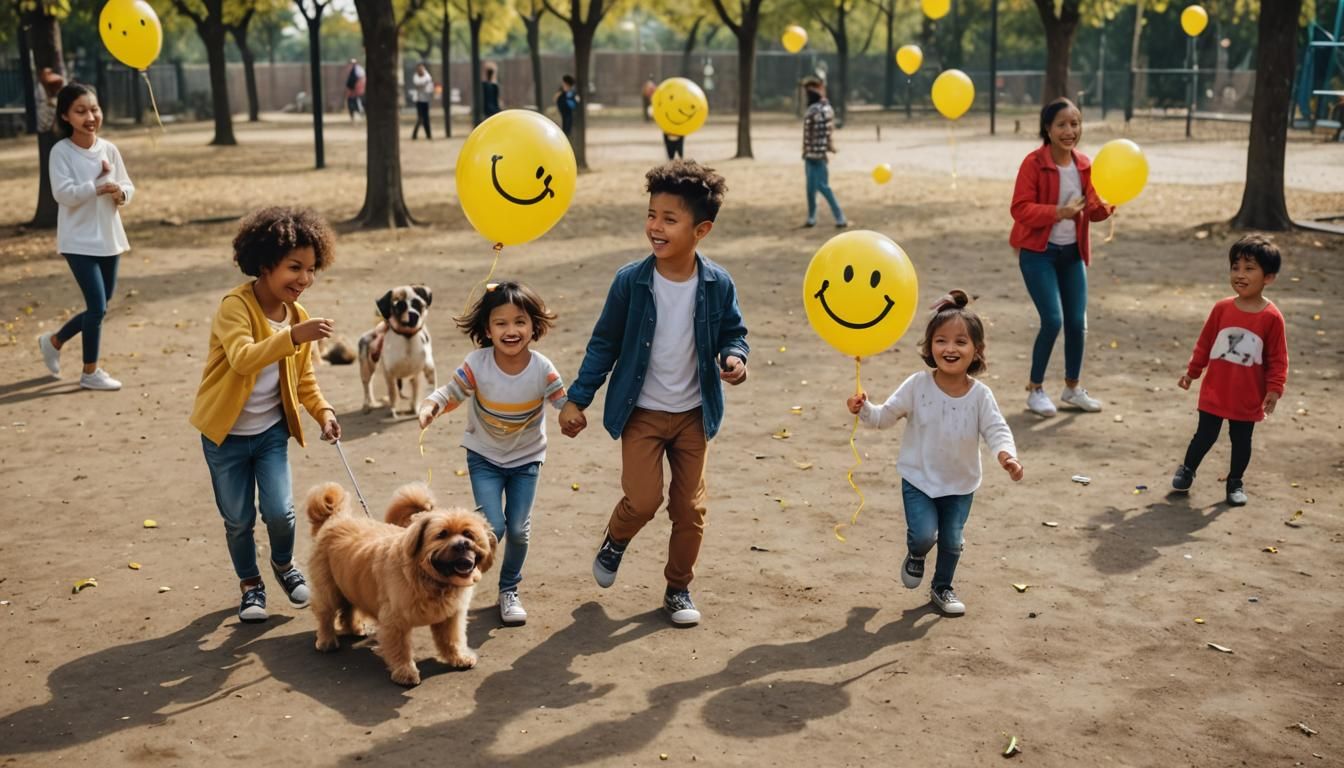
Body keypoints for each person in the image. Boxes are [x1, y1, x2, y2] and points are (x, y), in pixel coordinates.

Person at [559, 159, 749, 627]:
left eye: (669, 219)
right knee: (643, 501)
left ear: (700, 229)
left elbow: (734, 332)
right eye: (651, 215)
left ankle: (678, 588)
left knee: (690, 509)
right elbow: (604, 343)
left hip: (692, 414)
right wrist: (577, 398)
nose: (655, 227)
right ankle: (615, 538)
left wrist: (734, 358)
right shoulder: (630, 282)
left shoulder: (717, 283)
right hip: (640, 412)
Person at [190, 206, 342, 623]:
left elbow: (304, 380)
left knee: (280, 512)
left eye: (312, 269)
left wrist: (323, 412)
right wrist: (292, 337)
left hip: (270, 433)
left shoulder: (299, 319)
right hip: (225, 436)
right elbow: (242, 359)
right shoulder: (235, 307)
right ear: (264, 263)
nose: (305, 279)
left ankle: (283, 566)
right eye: (295, 267)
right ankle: (250, 586)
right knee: (238, 519)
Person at [846, 291, 1022, 616]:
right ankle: (916, 554)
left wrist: (1006, 456)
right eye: (941, 341)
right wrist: (864, 409)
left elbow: (996, 430)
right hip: (919, 478)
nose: (950, 349)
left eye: (960, 342)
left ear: (977, 351)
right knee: (925, 535)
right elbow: (885, 416)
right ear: (929, 348)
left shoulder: (981, 396)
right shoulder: (917, 386)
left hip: (960, 484)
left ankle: (942, 587)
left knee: (952, 542)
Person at [417, 282, 567, 626]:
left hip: (527, 459)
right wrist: (431, 405)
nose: (511, 330)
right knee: (493, 527)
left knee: (518, 529)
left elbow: (563, 402)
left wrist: (572, 416)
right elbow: (452, 391)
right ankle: (455, 576)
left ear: (533, 327)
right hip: (484, 456)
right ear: (487, 329)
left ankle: (509, 589)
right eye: (500, 323)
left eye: (519, 322)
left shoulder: (543, 368)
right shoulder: (478, 363)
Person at [1009, 97, 1114, 417]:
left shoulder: (1084, 165)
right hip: (1037, 253)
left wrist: (1110, 203)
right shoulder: (1034, 163)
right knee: (1053, 320)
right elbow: (1020, 209)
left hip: (1072, 255)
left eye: (1076, 123)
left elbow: (1092, 211)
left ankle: (1072, 388)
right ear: (1047, 129)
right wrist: (1059, 213)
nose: (1070, 131)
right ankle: (1035, 390)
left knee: (1077, 324)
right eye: (1062, 125)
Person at [1171, 235, 1288, 507]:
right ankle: (1187, 469)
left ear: (1268, 277)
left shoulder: (1271, 317)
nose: (1240, 274)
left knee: (1241, 439)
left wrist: (1274, 389)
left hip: (1247, 394)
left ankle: (1235, 481)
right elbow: (1205, 343)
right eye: (1235, 267)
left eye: (1250, 268)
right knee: (1205, 434)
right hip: (1216, 389)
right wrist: (1192, 372)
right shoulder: (1222, 308)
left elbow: (1277, 358)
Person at [37, 83, 133, 391]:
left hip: (109, 238)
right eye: (81, 111)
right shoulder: (61, 152)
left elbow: (127, 186)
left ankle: (53, 341)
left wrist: (120, 192)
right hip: (78, 241)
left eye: (94, 109)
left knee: (101, 305)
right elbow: (62, 194)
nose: (90, 117)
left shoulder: (109, 149)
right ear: (66, 116)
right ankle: (90, 372)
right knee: (97, 307)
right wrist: (97, 186)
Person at [801, 77, 848, 229]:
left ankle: (840, 217)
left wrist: (827, 147)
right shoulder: (821, 109)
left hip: (818, 156)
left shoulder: (820, 110)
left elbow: (823, 132)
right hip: (812, 156)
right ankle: (811, 218)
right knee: (811, 189)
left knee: (822, 187)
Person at [411, 62, 434, 140]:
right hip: (419, 100)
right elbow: (418, 84)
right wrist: (424, 84)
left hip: (426, 100)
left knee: (426, 118)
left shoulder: (427, 76)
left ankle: (428, 135)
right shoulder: (416, 77)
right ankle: (414, 135)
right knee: (420, 118)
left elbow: (428, 86)